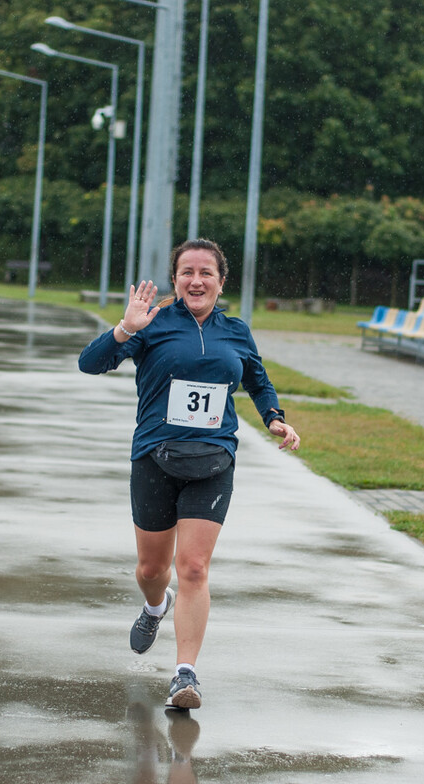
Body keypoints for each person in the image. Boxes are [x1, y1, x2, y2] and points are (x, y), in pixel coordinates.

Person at [78, 238, 300, 709]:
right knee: (151, 569)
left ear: (221, 281)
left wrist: (274, 417)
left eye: (206, 273)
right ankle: (155, 605)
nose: (196, 281)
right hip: (154, 457)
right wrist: (125, 328)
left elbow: (257, 380)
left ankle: (185, 675)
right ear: (175, 279)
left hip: (213, 459)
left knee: (194, 568)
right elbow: (90, 363)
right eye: (187, 272)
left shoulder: (236, 331)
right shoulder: (152, 323)